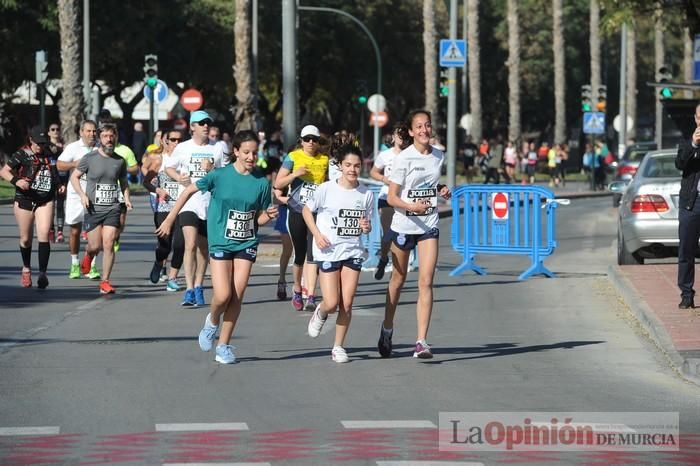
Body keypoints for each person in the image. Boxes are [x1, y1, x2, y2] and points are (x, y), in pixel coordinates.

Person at [156, 130, 278, 364]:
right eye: (246, 152)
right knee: (222, 295)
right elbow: (189, 191)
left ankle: (223, 346)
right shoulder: (219, 176)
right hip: (221, 240)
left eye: (254, 152)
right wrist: (171, 218)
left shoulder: (262, 183)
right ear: (236, 152)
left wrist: (268, 216)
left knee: (237, 296)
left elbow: (258, 219)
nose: (251, 157)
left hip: (247, 241)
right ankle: (212, 321)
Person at [378, 110, 451, 359]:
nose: (424, 130)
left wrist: (441, 189)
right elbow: (392, 197)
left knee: (426, 281)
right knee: (397, 281)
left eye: (427, 125)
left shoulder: (438, 155)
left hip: (428, 225)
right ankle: (387, 328)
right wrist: (412, 207)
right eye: (418, 126)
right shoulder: (403, 159)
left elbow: (429, 184)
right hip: (404, 226)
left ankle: (421, 341)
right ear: (410, 131)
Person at [304, 139, 373, 363]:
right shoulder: (326, 189)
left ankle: (338, 347)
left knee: (347, 302)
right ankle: (321, 312)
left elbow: (367, 222)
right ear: (340, 166)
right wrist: (316, 234)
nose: (352, 169)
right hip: (328, 251)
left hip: (352, 250)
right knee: (332, 302)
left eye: (356, 165)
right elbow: (307, 211)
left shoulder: (366, 194)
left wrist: (366, 226)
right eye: (348, 165)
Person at [164, 110, 225, 306]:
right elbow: (169, 167)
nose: (205, 126)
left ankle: (199, 285)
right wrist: (177, 177)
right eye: (201, 123)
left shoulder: (219, 147)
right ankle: (189, 289)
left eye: (208, 122)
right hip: (189, 202)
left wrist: (213, 170)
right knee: (189, 245)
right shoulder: (183, 147)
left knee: (203, 248)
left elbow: (227, 174)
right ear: (192, 127)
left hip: (210, 204)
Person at [69, 123, 132, 294]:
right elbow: (75, 177)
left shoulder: (120, 160)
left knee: (109, 243)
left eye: (112, 136)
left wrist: (126, 199)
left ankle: (105, 281)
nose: (109, 139)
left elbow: (124, 182)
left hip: (112, 208)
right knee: (95, 246)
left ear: (116, 137)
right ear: (99, 138)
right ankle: (89, 255)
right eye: (105, 136)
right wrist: (82, 195)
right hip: (93, 209)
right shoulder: (89, 158)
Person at [274, 125, 329, 312]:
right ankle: (297, 289)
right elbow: (278, 182)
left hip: (316, 213)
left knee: (313, 254)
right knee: (299, 254)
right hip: (297, 210)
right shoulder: (293, 157)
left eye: (314, 139)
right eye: (307, 139)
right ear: (302, 140)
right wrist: (294, 174)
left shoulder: (325, 160)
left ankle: (311, 295)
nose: (311, 142)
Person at [0, 127, 64, 288]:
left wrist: (59, 186)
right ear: (31, 141)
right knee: (26, 239)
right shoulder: (22, 154)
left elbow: (54, 173)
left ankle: (42, 273)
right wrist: (17, 181)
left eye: (43, 144)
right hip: (25, 199)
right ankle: (26, 268)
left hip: (45, 199)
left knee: (43, 234)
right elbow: (4, 171)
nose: (40, 147)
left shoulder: (49, 155)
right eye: (37, 143)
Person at [142, 128, 185, 291]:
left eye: (179, 140)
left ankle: (172, 278)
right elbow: (146, 182)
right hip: (164, 207)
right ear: (164, 141)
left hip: (183, 207)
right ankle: (159, 262)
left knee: (180, 244)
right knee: (165, 244)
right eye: (172, 139)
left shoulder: (187, 158)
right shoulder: (158, 159)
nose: (176, 143)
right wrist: (157, 190)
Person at [56, 120, 99, 279]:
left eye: (94, 131)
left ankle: (91, 265)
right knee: (75, 230)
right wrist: (75, 163)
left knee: (95, 233)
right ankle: (74, 262)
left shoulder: (99, 148)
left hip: (96, 195)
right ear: (81, 132)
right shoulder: (73, 147)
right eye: (88, 131)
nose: (91, 134)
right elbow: (60, 165)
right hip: (76, 194)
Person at [370, 123, 406, 280]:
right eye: (399, 135)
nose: (401, 138)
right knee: (389, 233)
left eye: (404, 136)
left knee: (401, 234)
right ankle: (384, 258)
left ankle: (397, 267)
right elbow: (373, 172)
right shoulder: (385, 155)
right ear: (393, 137)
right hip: (386, 197)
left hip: (405, 199)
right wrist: (385, 179)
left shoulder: (411, 154)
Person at [675, 103, 700, 309]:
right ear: (695, 118)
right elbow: (680, 163)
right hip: (692, 203)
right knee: (686, 249)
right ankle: (686, 294)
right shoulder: (687, 139)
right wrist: (693, 144)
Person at [47, 122, 65, 243]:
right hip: (49, 179)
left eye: (57, 129)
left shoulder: (65, 147)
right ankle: (51, 229)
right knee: (50, 206)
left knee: (59, 205)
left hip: (62, 178)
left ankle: (60, 231)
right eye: (52, 129)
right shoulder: (45, 146)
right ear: (49, 132)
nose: (55, 131)